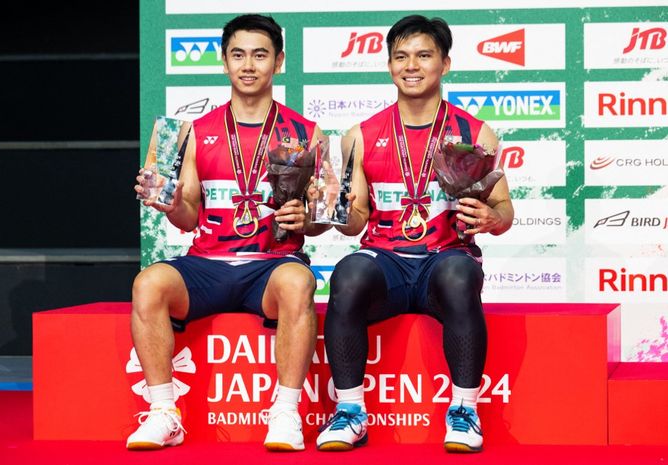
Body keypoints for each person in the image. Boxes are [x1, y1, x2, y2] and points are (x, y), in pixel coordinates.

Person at [127, 14, 329, 451]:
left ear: (279, 62)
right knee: (148, 283)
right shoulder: (192, 132)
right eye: (238, 55)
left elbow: (322, 217)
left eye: (260, 55)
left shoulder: (308, 134)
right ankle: (164, 412)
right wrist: (169, 201)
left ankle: (286, 413)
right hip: (208, 265)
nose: (249, 65)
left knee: (299, 281)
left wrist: (306, 219)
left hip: (271, 266)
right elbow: (186, 218)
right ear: (223, 62)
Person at [316, 15, 514, 453]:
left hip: (445, 260)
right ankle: (349, 412)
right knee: (347, 273)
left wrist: (490, 218)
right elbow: (356, 220)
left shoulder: (474, 133)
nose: (412, 66)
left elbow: (504, 212)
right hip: (386, 264)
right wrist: (335, 206)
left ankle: (464, 412)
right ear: (389, 67)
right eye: (401, 57)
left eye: (424, 56)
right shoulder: (360, 136)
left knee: (460, 275)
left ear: (445, 63)